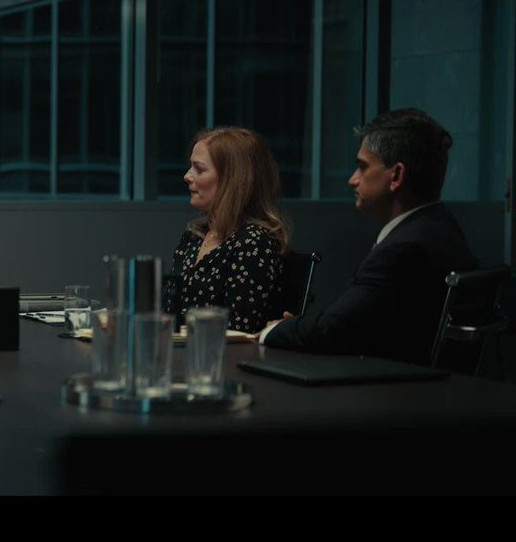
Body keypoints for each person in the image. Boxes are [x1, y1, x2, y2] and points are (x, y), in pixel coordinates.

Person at [260, 108, 479, 362]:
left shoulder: (404, 249)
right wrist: (302, 327)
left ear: (396, 175)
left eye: (363, 167)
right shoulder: (440, 227)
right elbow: (353, 320)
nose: (353, 180)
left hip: (388, 382)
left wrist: (278, 330)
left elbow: (336, 330)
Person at [163, 126, 288, 333]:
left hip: (222, 352)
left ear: (232, 180)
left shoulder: (254, 242)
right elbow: (170, 310)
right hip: (183, 348)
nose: (187, 176)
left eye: (199, 169)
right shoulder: (194, 235)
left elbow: (239, 328)